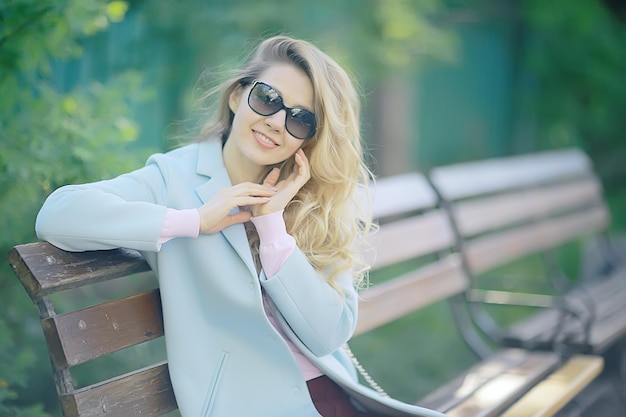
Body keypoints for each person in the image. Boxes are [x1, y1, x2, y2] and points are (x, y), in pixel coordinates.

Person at [36, 35, 447, 417]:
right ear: (237, 96)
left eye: (300, 119)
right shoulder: (173, 178)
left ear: (308, 140)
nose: (276, 122)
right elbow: (58, 213)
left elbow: (328, 336)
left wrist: (273, 227)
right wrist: (194, 220)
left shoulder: (310, 203)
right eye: (268, 99)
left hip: (330, 397)